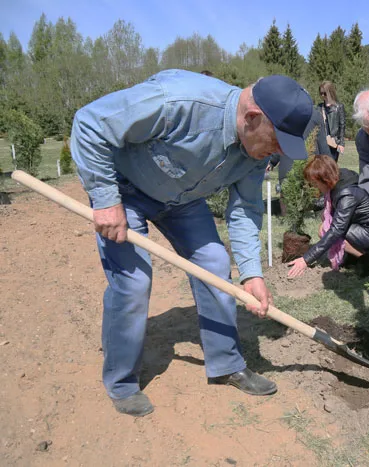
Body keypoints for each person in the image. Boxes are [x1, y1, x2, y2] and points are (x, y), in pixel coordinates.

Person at [70, 69, 313, 417]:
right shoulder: (177, 101)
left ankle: (226, 364)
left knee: (215, 263)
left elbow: (245, 210)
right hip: (124, 191)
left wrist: (252, 274)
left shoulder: (254, 153)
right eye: (276, 142)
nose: (276, 153)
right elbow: (91, 123)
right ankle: (122, 382)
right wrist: (106, 199)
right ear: (252, 118)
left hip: (183, 201)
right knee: (134, 282)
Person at [287, 155, 369, 278]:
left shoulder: (347, 194)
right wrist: (305, 205)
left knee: (328, 230)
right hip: (362, 229)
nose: (314, 186)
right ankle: (353, 257)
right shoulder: (338, 181)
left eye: (315, 183)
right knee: (325, 224)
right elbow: (327, 201)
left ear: (325, 179)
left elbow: (336, 230)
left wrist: (306, 259)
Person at [318, 81, 346, 161]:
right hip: (321, 141)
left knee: (332, 165)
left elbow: (342, 126)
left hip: (333, 142)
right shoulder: (319, 107)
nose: (323, 95)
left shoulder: (339, 107)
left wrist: (341, 143)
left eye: (325, 93)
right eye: (321, 93)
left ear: (330, 92)